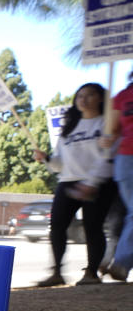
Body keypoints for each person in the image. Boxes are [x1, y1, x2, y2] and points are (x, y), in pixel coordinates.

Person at [33, 82, 118, 286]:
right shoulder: (68, 129)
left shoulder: (106, 124)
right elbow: (59, 165)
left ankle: (91, 273)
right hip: (69, 182)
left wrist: (92, 183)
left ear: (100, 98)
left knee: (92, 227)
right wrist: (46, 159)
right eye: (79, 96)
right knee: (57, 226)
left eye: (89, 95)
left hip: (98, 184)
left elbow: (108, 158)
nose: (83, 99)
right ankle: (57, 272)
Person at [99, 68, 133, 282]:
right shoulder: (123, 96)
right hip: (127, 157)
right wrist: (108, 138)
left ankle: (120, 261)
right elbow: (111, 130)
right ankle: (120, 262)